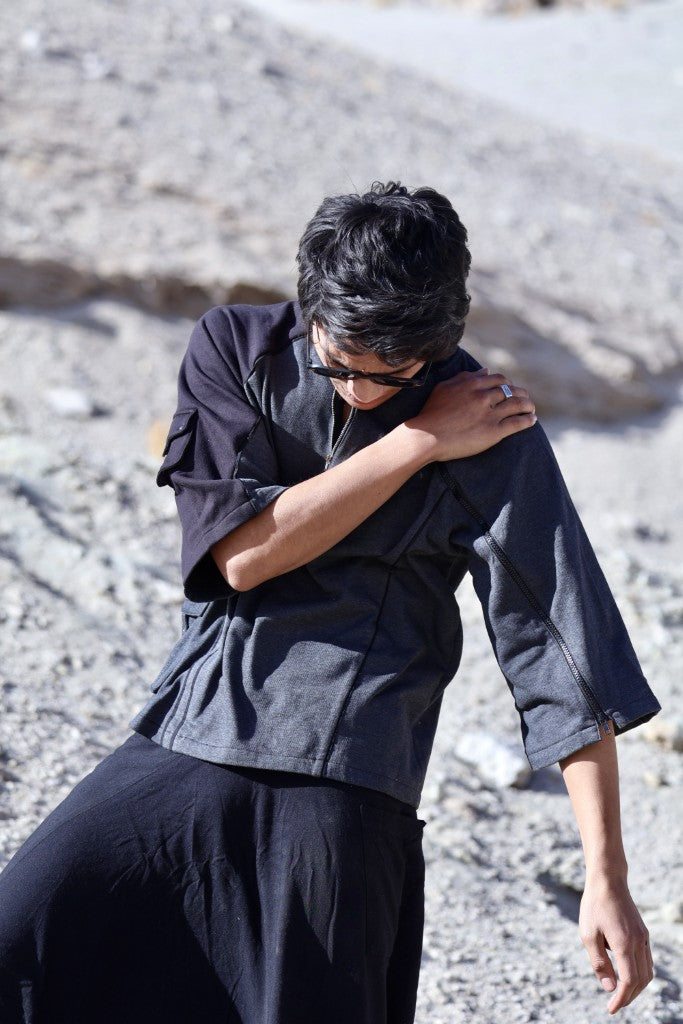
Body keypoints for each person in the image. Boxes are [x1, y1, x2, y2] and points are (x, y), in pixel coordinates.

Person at [0, 182, 660, 1023]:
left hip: (348, 780)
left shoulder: (492, 429)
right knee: (24, 944)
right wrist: (418, 441)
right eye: (339, 363)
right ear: (309, 308)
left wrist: (606, 878)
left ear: (442, 339)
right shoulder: (237, 348)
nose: (362, 392)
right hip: (191, 736)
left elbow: (563, 653)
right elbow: (241, 555)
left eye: (396, 374)